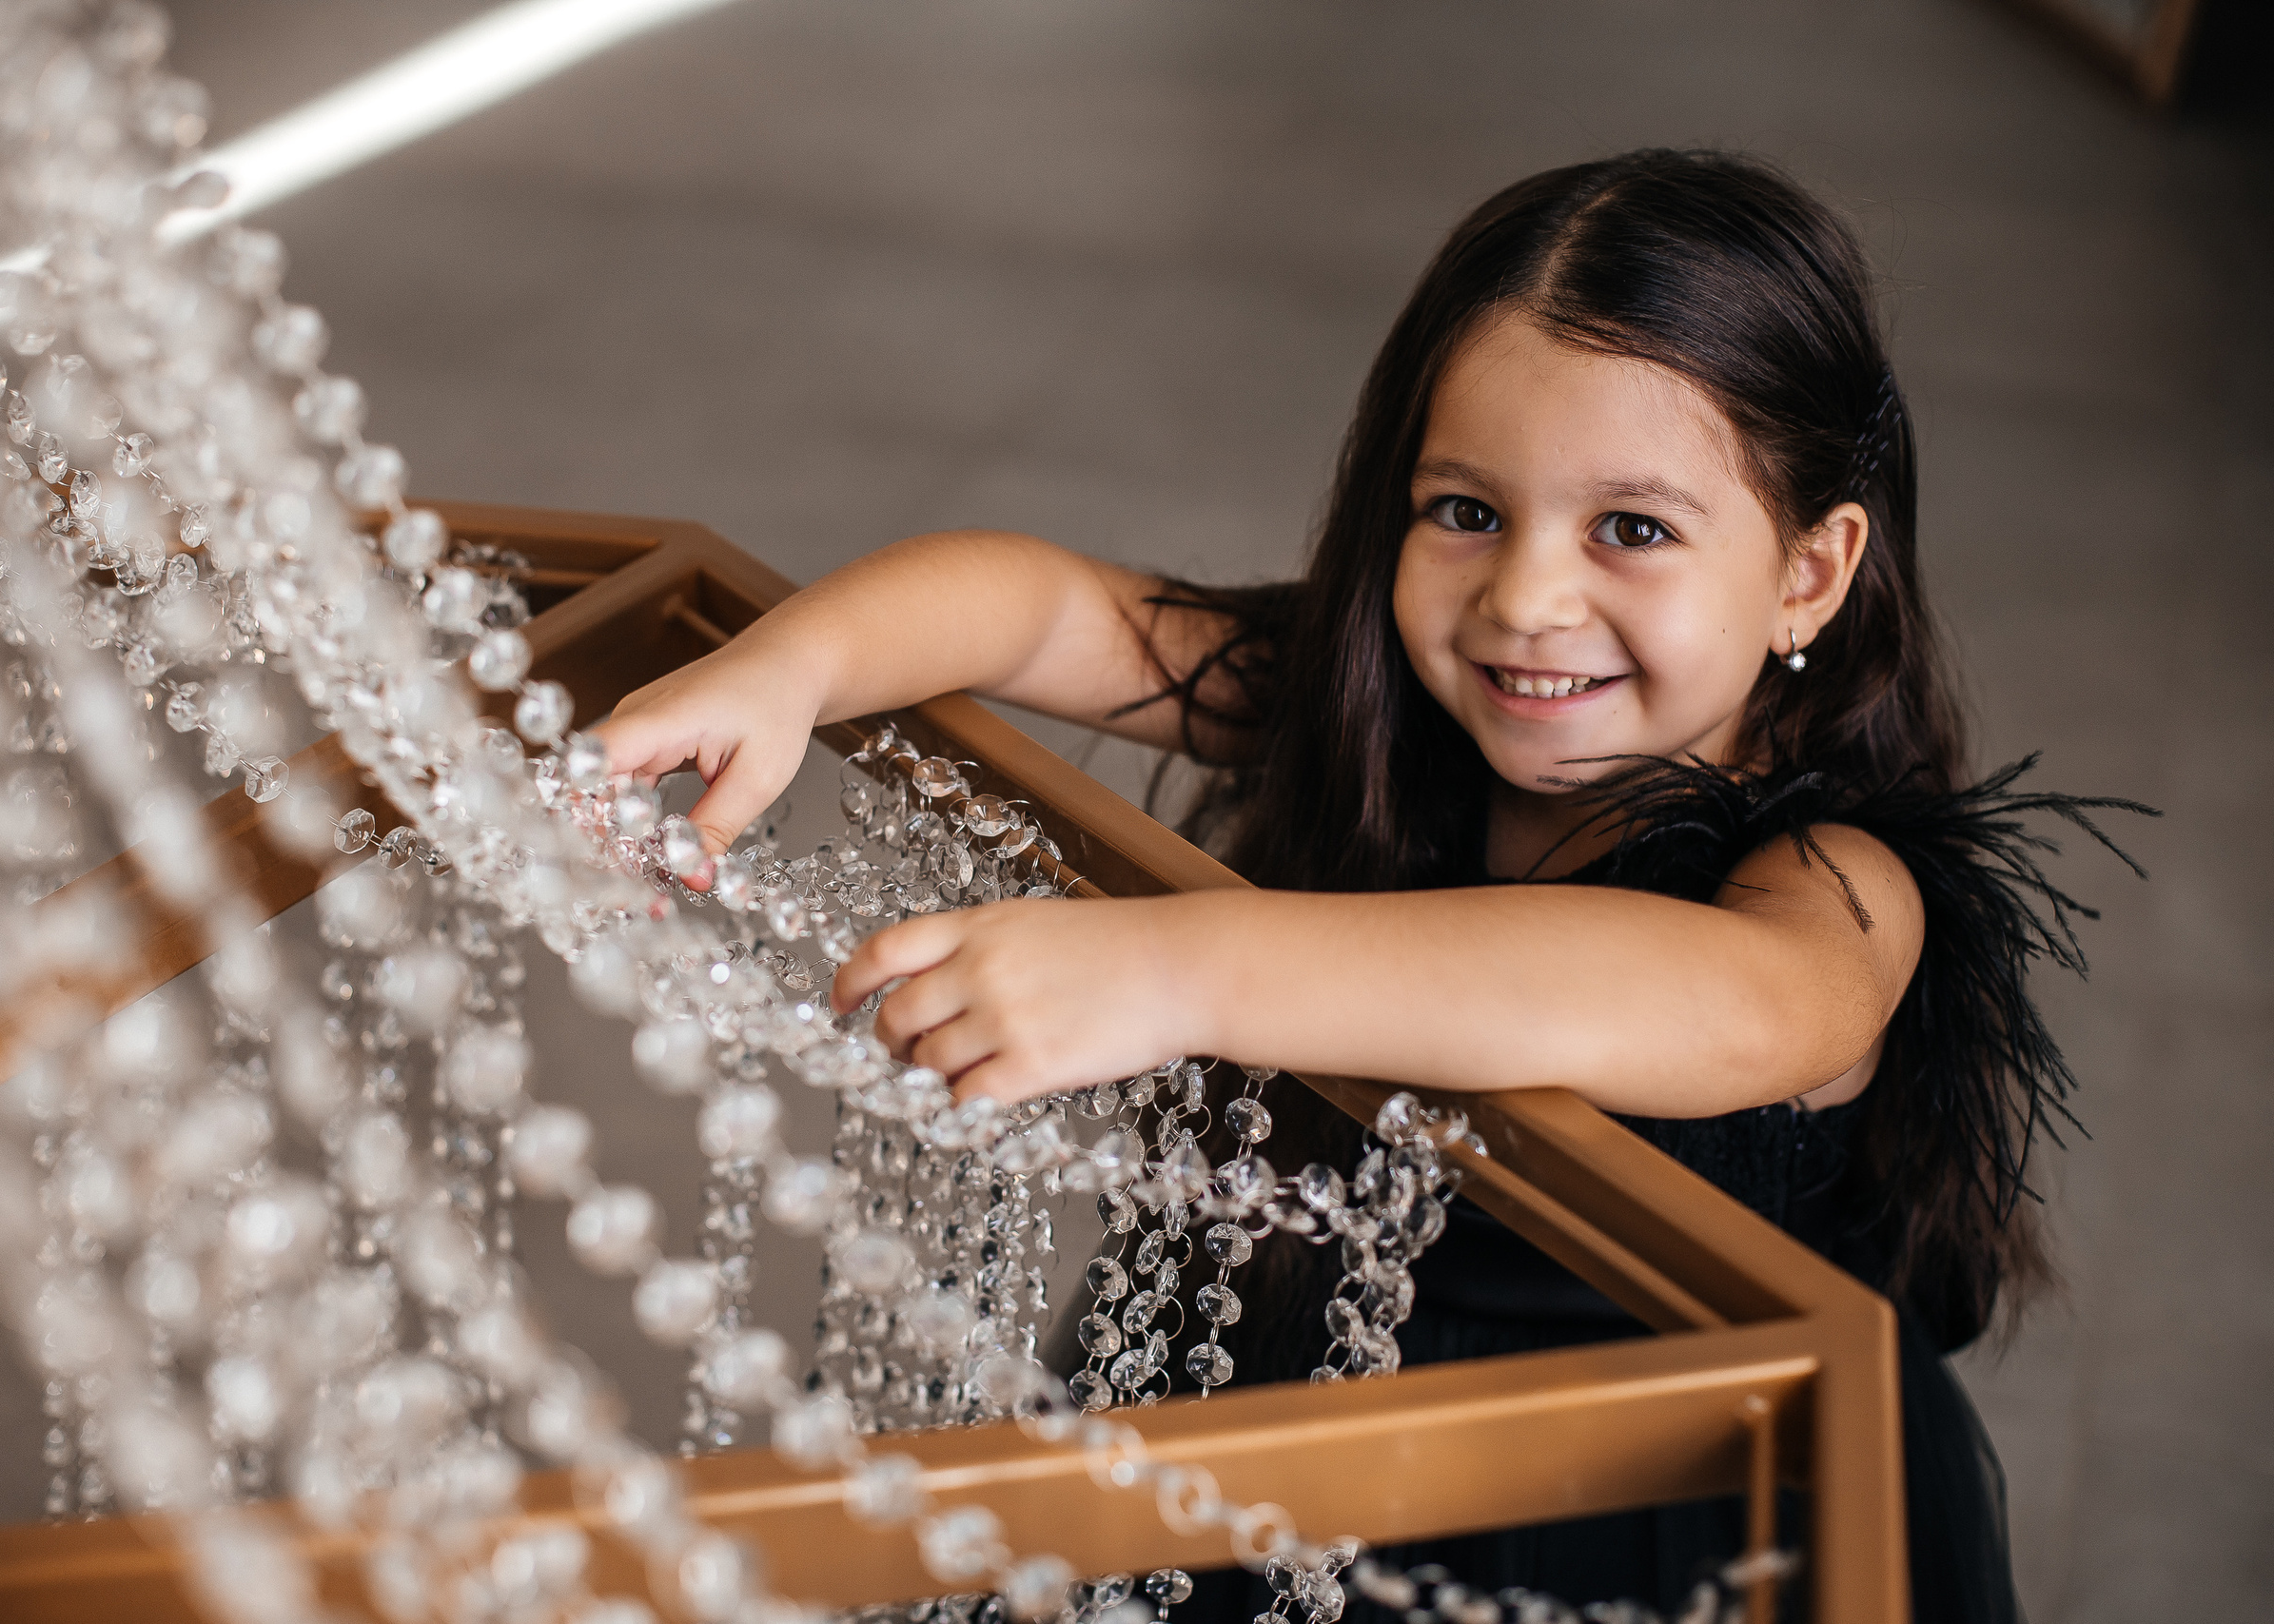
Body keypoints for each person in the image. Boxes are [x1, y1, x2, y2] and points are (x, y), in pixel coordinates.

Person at [598, 148, 2147, 1623]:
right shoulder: (1374, 713)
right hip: (1295, 1422)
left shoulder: (1835, 874)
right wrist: (787, 666)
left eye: (1633, 530)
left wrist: (1181, 970)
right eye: (1466, 512)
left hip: (1660, 1523)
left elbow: (1738, 1007)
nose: (1529, 599)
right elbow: (1037, 606)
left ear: (1809, 572)